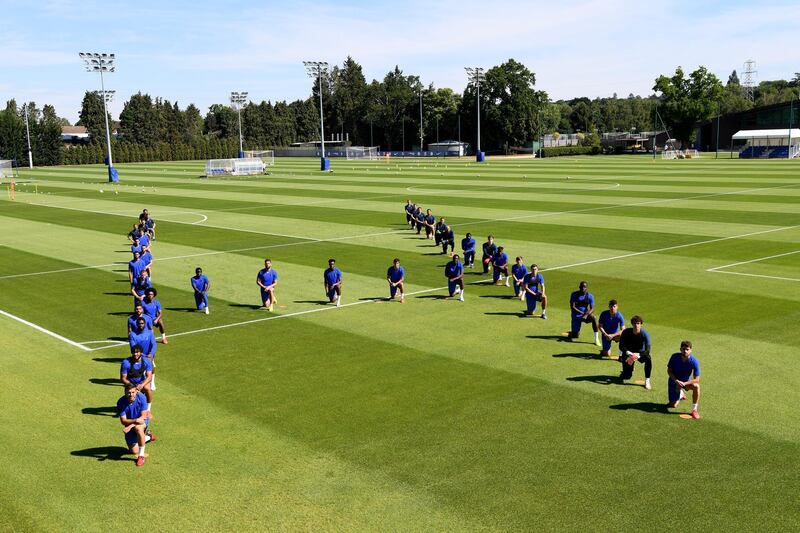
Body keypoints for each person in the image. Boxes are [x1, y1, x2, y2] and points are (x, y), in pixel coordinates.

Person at [116, 382, 155, 467]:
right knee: (134, 451)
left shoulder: (142, 398)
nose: (131, 394)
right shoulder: (121, 402)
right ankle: (148, 437)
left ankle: (141, 456)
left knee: (138, 428)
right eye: (129, 392)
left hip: (143, 420)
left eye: (133, 392)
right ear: (125, 392)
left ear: (136, 391)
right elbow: (123, 421)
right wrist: (134, 421)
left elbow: (142, 418)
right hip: (134, 421)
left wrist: (130, 425)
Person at [667, 340, 701, 419]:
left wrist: (684, 384)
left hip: (686, 382)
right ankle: (681, 394)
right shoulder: (674, 357)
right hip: (674, 381)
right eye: (683, 349)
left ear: (691, 350)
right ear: (680, 349)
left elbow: (697, 379)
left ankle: (694, 410)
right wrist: (676, 381)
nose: (685, 351)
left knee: (696, 386)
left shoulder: (694, 362)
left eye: (687, 349)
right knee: (673, 405)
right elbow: (669, 371)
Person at [618, 315, 652, 389]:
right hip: (629, 354)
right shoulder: (626, 332)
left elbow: (648, 350)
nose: (636, 325)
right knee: (627, 376)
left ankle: (647, 380)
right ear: (632, 324)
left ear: (641, 324)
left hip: (640, 353)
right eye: (634, 323)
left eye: (638, 323)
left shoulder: (645, 334)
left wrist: (639, 355)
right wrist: (628, 352)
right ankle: (627, 370)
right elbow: (621, 346)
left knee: (648, 359)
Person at [128, 316, 158, 390]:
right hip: (138, 356)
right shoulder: (132, 334)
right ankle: (134, 382)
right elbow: (133, 346)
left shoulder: (150, 333)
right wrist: (143, 355)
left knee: (152, 367)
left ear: (144, 324)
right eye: (139, 323)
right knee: (137, 369)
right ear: (137, 324)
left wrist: (151, 354)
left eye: (142, 323)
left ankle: (152, 381)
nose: (141, 324)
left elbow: (154, 344)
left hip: (149, 355)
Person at [569, 281, 599, 345]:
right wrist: (583, 313)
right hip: (576, 315)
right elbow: (573, 307)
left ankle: (596, 339)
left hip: (585, 315)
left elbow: (592, 308)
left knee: (594, 318)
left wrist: (586, 314)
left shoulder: (590, 296)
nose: (583, 288)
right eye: (582, 287)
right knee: (575, 336)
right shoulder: (574, 294)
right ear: (579, 287)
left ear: (587, 288)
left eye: (584, 287)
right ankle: (573, 332)